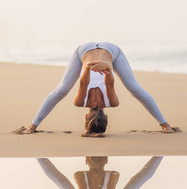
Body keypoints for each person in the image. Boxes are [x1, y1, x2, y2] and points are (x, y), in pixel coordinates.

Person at [21, 42, 174, 136]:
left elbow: (88, 83)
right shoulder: (83, 103)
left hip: (87, 52)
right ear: (85, 118)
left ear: (106, 118)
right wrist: (105, 66)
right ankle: (32, 125)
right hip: (107, 52)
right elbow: (104, 83)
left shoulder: (110, 103)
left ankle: (164, 125)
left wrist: (93, 67)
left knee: (62, 90)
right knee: (134, 88)